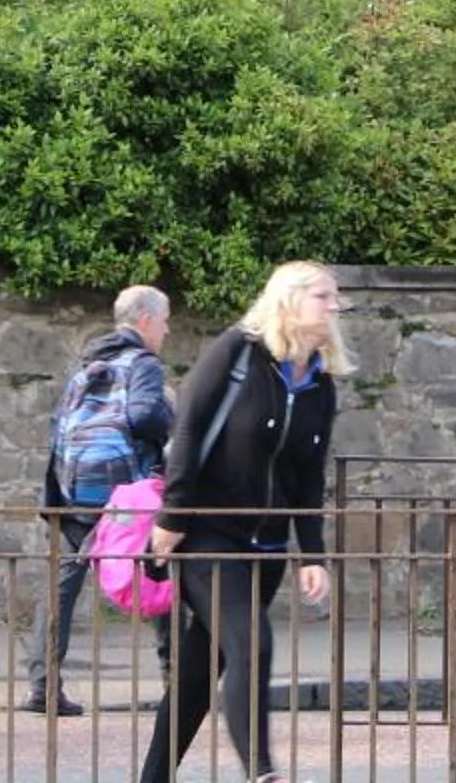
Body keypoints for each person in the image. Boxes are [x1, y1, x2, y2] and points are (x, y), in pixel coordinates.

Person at [136, 262, 350, 783]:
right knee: (253, 643)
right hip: (208, 535)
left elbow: (307, 476)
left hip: (267, 546)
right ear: (290, 299)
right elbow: (187, 430)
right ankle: (262, 771)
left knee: (200, 669)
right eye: (323, 295)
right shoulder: (238, 353)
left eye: (336, 297)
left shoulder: (319, 384)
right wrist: (173, 516)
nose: (335, 306)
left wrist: (313, 554)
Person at [22, 284, 174, 717]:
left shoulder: (87, 362)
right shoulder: (142, 362)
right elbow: (145, 416)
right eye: (164, 320)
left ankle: (43, 687)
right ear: (144, 319)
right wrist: (173, 417)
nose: (166, 330)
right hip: (126, 495)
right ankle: (175, 682)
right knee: (158, 569)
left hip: (74, 491)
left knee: (62, 585)